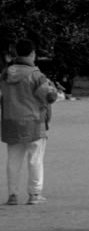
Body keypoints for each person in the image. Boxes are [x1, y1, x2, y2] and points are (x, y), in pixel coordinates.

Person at [3, 40, 60, 205]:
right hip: (33, 121)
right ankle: (34, 194)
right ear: (32, 54)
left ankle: (12, 195)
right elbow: (49, 97)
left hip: (10, 121)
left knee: (13, 159)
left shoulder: (5, 74)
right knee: (35, 158)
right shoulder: (36, 75)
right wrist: (53, 89)